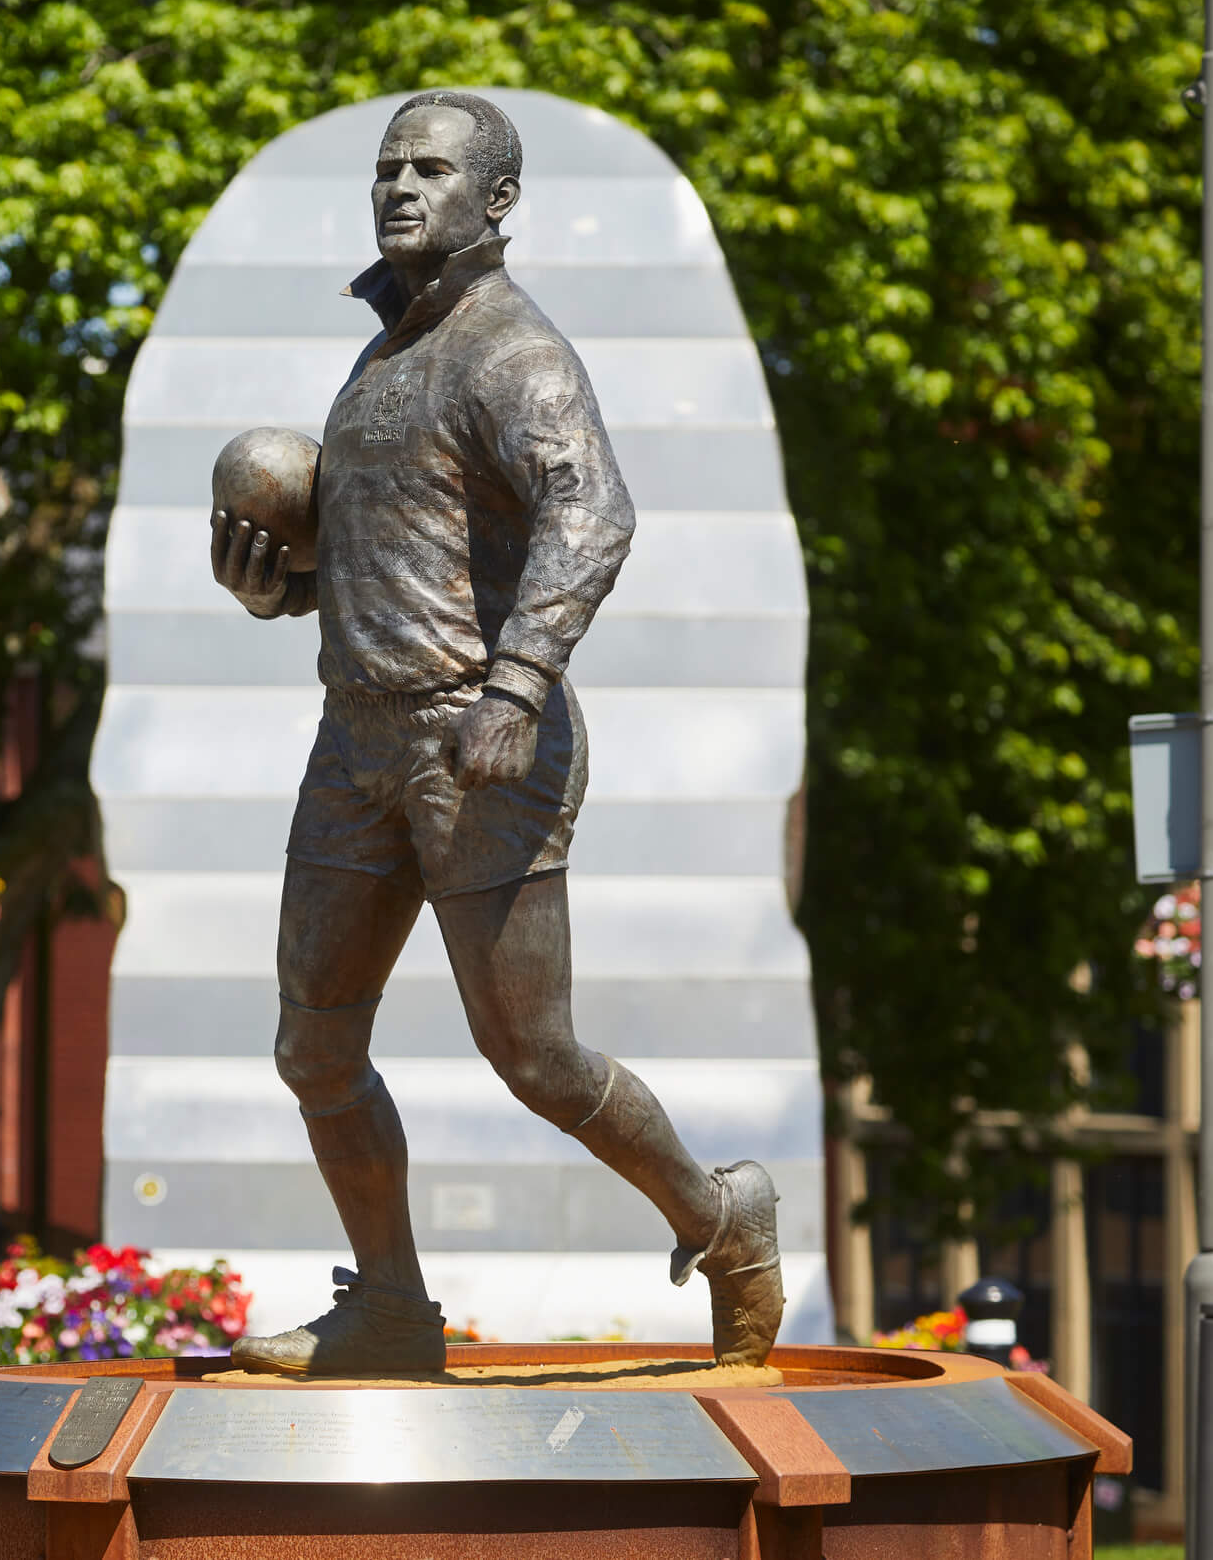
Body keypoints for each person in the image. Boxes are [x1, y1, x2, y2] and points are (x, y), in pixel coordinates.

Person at [208, 90, 784, 1374]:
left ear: (496, 200)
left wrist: (517, 685)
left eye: (429, 170)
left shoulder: (511, 351)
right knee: (314, 1043)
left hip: (479, 741)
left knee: (531, 1052)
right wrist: (279, 589)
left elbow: (595, 515)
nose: (401, 187)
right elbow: (392, 558)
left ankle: (722, 1214)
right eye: (387, 169)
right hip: (355, 741)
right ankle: (393, 1311)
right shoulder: (377, 363)